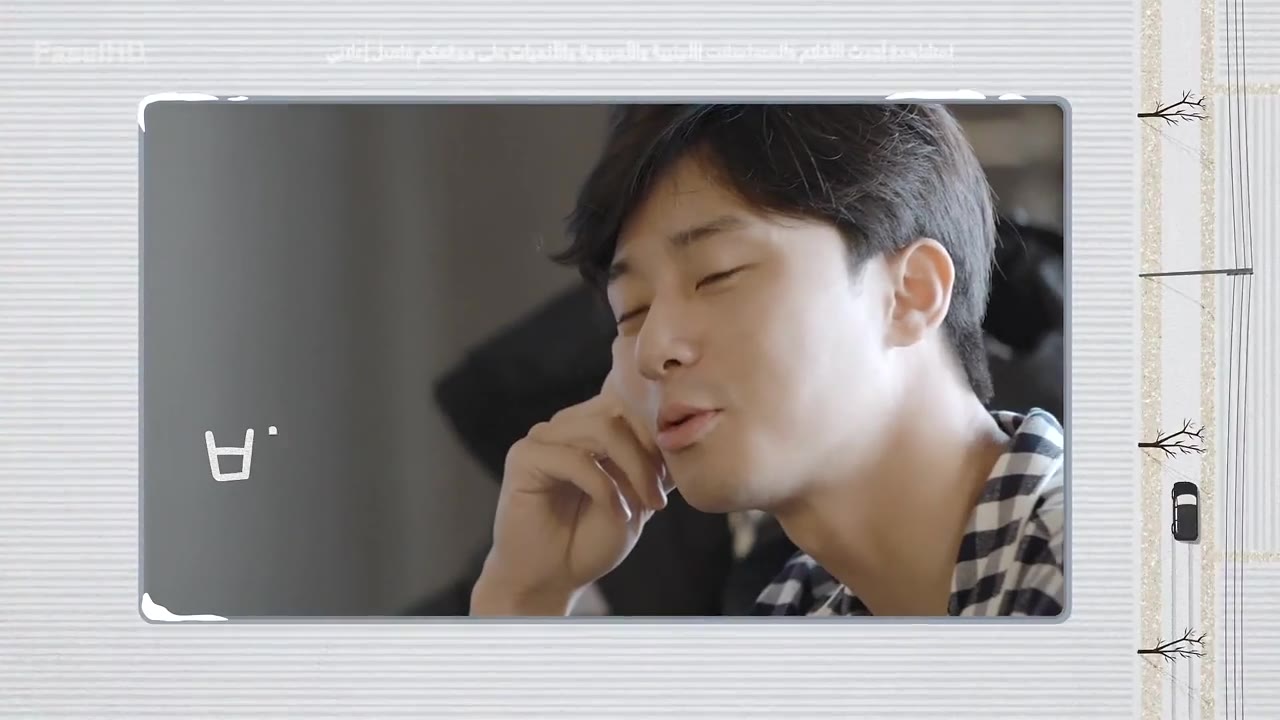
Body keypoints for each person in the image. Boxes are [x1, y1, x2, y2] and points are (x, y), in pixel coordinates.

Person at [469, 104, 1065, 617]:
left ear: (910, 293)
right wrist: (524, 595)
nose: (652, 349)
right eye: (632, 311)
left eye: (717, 275)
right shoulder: (793, 611)